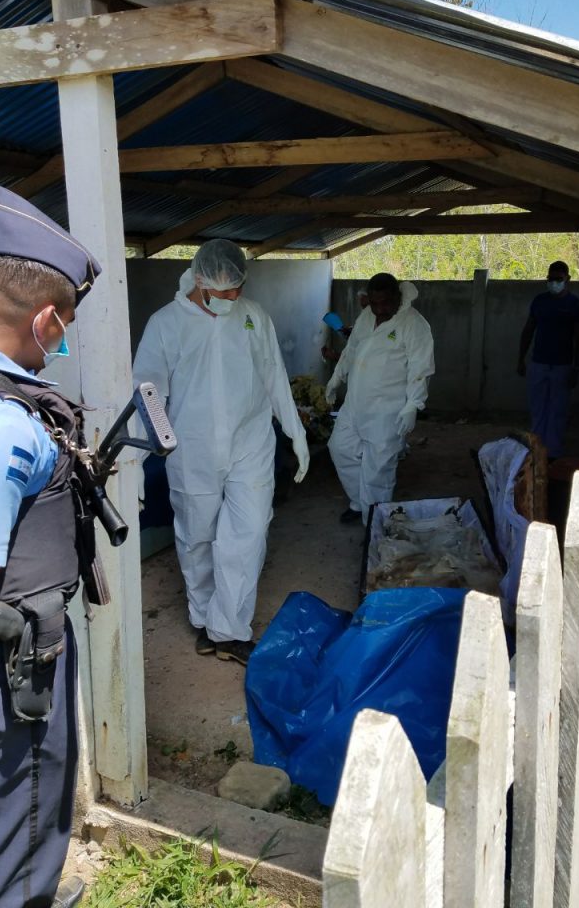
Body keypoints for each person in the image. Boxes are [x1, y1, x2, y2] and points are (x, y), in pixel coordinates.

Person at [0, 185, 102, 908]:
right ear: (45, 320)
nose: (62, 340)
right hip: (8, 669)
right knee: (21, 815)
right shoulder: (3, 425)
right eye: (67, 326)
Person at [132, 239, 309, 665]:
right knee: (197, 538)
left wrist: (296, 432)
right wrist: (135, 459)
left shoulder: (253, 316)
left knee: (249, 533)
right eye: (224, 289)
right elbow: (148, 394)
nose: (233, 296)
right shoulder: (167, 323)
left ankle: (228, 631)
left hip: (251, 443)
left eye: (238, 287)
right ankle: (204, 619)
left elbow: (273, 375)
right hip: (192, 450)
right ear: (199, 280)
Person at [326, 273, 434, 524]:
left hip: (387, 410)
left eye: (386, 303)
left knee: (378, 470)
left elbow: (421, 369)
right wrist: (336, 379)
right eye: (374, 303)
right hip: (355, 404)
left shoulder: (414, 324)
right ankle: (358, 502)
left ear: (397, 296)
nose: (380, 309)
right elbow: (352, 349)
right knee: (340, 449)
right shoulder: (367, 316)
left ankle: (375, 524)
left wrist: (413, 405)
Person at [517, 260, 579, 459]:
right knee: (538, 409)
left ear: (567, 279)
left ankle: (553, 453)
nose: (554, 283)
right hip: (538, 363)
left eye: (558, 279)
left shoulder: (575, 305)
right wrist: (520, 358)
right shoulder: (540, 301)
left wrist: (576, 368)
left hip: (562, 366)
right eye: (550, 279)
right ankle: (536, 451)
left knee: (557, 411)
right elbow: (528, 330)